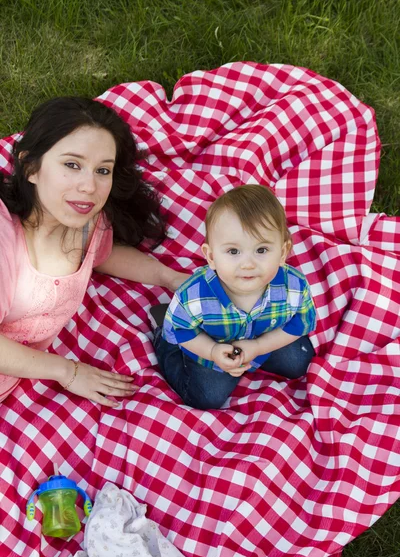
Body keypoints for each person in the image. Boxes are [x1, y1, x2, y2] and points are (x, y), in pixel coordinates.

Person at [0, 96, 188, 407]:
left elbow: (102, 255)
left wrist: (168, 277)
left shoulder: (89, 223)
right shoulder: (6, 241)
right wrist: (68, 372)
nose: (89, 186)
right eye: (72, 165)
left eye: (103, 170)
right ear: (31, 167)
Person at [151, 185, 317, 410]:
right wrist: (212, 351)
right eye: (233, 252)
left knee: (300, 363)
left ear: (283, 252)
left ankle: (257, 351)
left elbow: (301, 323)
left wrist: (258, 346)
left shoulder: (293, 287)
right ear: (210, 256)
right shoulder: (194, 296)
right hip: (209, 343)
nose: (247, 263)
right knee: (208, 396)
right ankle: (161, 336)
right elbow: (182, 331)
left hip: (264, 335)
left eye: (261, 250)